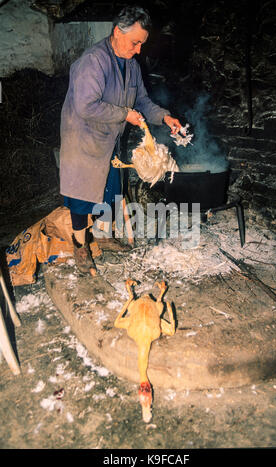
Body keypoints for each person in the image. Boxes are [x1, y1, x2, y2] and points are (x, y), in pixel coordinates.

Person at [60, 5, 183, 275]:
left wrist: (164, 117)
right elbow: (85, 106)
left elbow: (142, 102)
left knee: (110, 191)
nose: (138, 49)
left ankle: (103, 237)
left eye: (142, 44)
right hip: (84, 137)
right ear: (117, 32)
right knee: (82, 197)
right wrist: (125, 114)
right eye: (135, 42)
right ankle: (80, 248)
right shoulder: (93, 61)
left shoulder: (131, 64)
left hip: (109, 137)